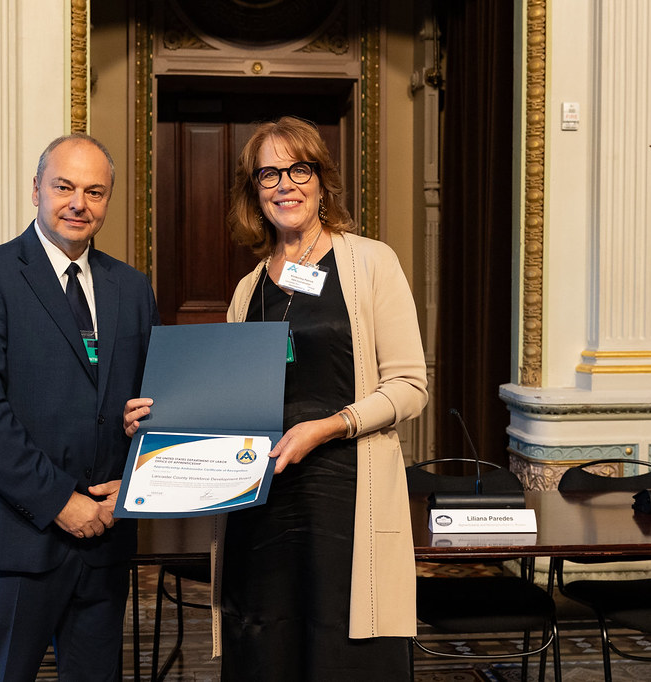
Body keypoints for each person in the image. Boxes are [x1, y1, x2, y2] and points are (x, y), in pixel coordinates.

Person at [127, 116, 427, 680]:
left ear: (321, 181)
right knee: (265, 645)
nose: (285, 185)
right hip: (259, 501)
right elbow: (228, 404)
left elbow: (410, 387)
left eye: (299, 170)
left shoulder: (371, 262)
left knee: (341, 649)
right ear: (255, 190)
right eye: (269, 174)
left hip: (345, 495)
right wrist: (157, 419)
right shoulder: (249, 288)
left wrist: (328, 426)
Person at [0, 133, 159, 681]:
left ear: (107, 200)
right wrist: (60, 500)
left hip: (105, 538)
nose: (78, 204)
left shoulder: (132, 288)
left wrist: (133, 475)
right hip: (14, 541)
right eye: (64, 187)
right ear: (36, 189)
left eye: (94, 192)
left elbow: (149, 400)